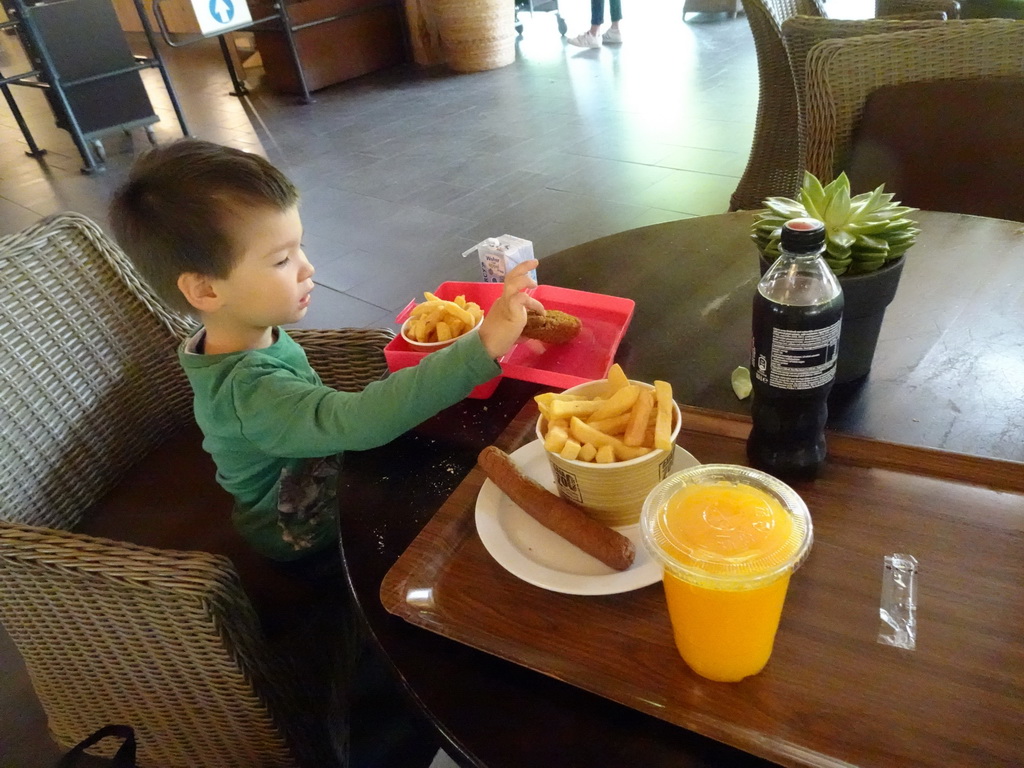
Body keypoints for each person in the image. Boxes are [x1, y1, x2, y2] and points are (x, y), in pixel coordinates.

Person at [109, 139, 543, 568]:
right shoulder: (249, 393)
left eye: (299, 246)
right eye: (281, 260)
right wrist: (484, 342)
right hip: (304, 533)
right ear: (205, 289)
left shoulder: (244, 333)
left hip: (334, 473)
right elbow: (357, 423)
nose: (308, 267)